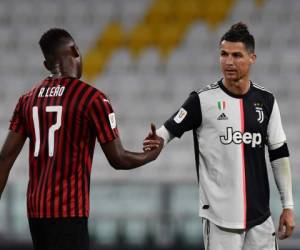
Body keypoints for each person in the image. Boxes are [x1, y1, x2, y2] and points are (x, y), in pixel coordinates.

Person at [0, 28, 163, 250]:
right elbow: (119, 159)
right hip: (68, 213)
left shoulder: (27, 100)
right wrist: (150, 155)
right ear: (75, 50)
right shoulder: (92, 99)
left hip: (35, 215)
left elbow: (4, 160)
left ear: (47, 65)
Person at [144, 22, 295, 250]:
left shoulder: (266, 101)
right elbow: (167, 131)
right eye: (224, 54)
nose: (229, 62)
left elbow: (279, 154)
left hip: (261, 220)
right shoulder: (201, 101)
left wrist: (288, 206)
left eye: (236, 55)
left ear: (252, 58)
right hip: (220, 221)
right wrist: (159, 140)